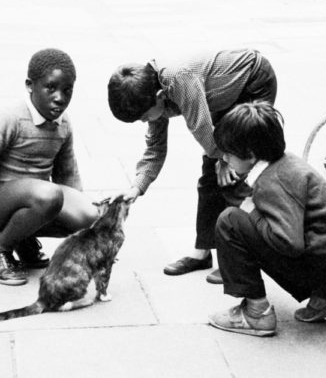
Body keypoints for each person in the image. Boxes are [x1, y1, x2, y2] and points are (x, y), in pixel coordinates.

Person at [107, 49, 277, 283]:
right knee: (210, 177)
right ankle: (203, 252)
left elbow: (200, 126)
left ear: (158, 96)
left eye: (144, 117)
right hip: (221, 97)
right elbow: (155, 149)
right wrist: (136, 188)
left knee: (234, 174)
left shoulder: (178, 79)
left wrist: (224, 159)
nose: (144, 122)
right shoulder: (150, 95)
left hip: (251, 82)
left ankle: (243, 260)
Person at [206, 102, 326, 337]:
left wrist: (251, 211)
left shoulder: (271, 182)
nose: (224, 158)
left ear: (251, 155)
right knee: (242, 215)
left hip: (314, 266)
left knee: (229, 221)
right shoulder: (285, 163)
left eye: (228, 153)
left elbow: (289, 242)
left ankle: (257, 314)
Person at [0, 48, 99, 286]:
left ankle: (24, 238)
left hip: (36, 201)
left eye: (67, 90)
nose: (59, 97)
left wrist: (88, 235)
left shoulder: (63, 125)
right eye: (50, 87)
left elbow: (68, 176)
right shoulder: (8, 118)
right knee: (50, 195)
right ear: (30, 85)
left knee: (90, 216)